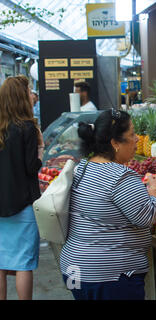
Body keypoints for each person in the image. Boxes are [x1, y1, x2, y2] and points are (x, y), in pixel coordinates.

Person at [60, 109, 156, 300]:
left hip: (76, 270)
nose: (137, 139)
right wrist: (155, 190)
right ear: (115, 143)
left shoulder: (83, 167)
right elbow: (148, 217)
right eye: (132, 134)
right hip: (109, 277)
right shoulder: (120, 177)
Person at [0, 75, 43, 300]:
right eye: (28, 91)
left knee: (0, 262)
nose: (31, 95)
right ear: (20, 96)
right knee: (23, 263)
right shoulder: (27, 128)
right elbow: (30, 168)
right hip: (23, 204)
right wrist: (40, 152)